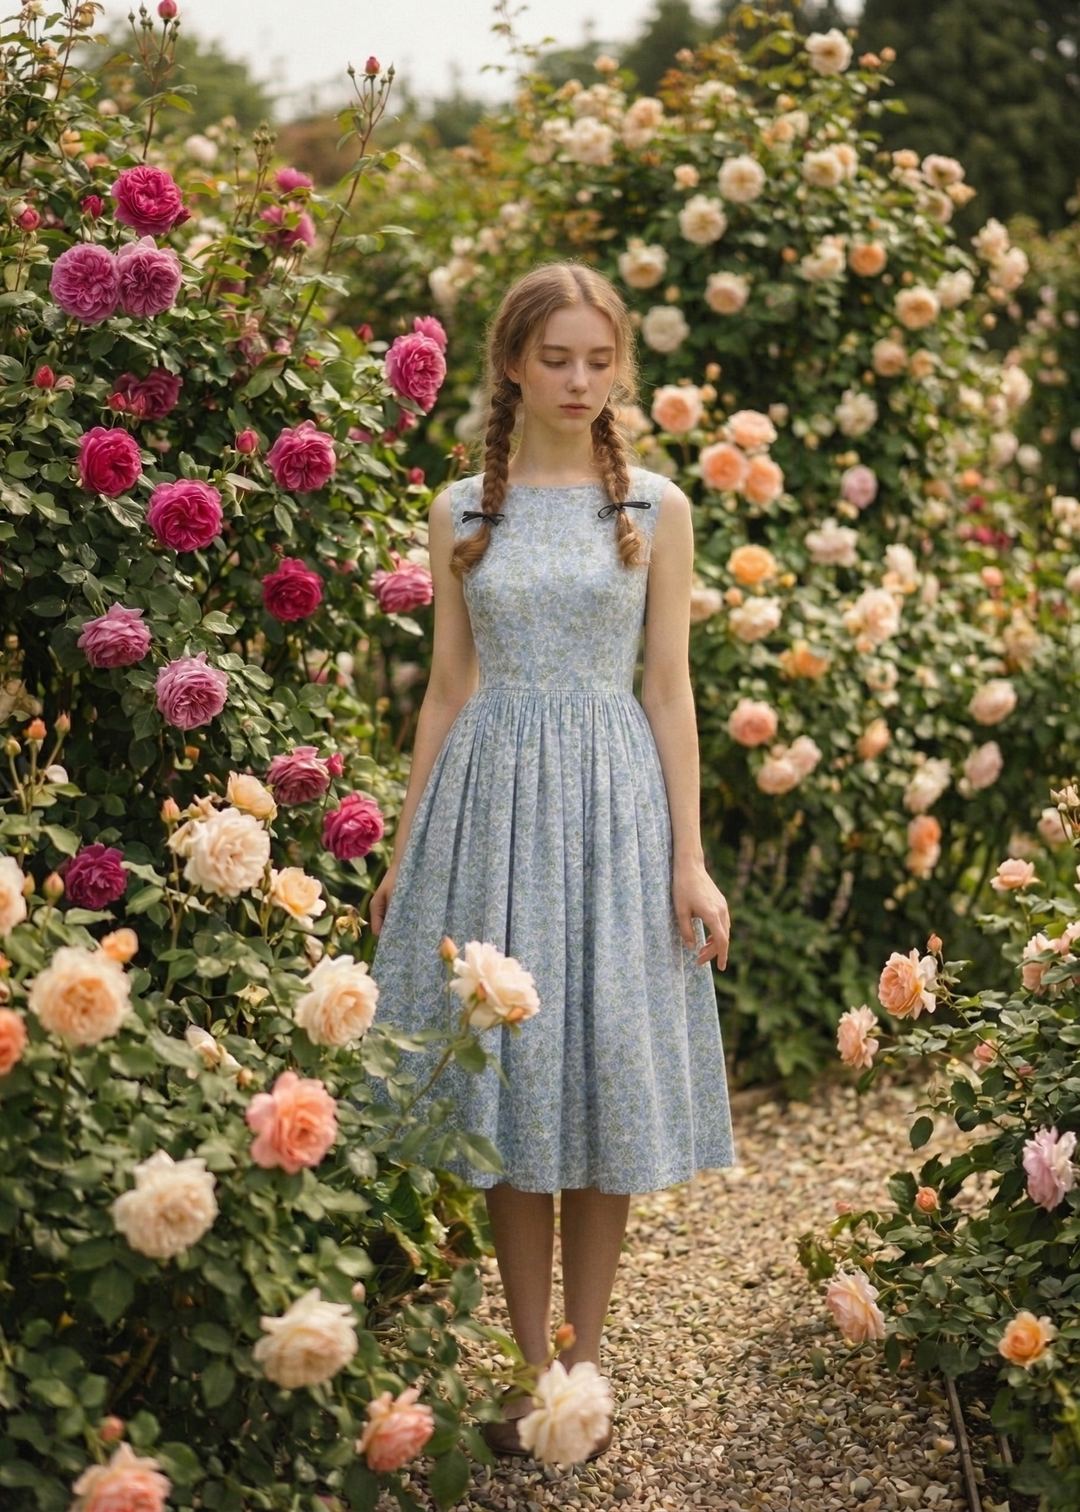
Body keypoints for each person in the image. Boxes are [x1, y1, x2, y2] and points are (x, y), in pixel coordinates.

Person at [369, 260, 736, 1461]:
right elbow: (447, 689)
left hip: (615, 804)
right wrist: (412, 841)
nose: (581, 381)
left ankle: (589, 1368)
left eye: (600, 359)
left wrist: (691, 858)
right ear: (513, 367)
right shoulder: (462, 512)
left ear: (618, 365)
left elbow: (669, 688)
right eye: (558, 359)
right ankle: (536, 1377)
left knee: (606, 1081)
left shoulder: (655, 511)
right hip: (492, 803)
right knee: (511, 1092)